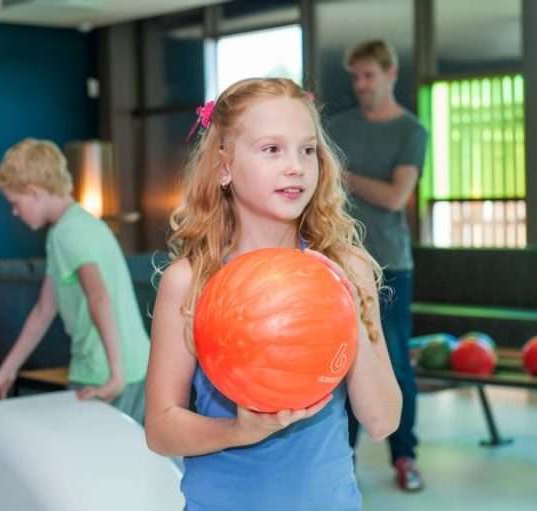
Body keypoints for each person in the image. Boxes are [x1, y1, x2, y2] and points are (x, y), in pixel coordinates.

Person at [144, 78, 402, 510]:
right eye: (272, 150)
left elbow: (381, 421)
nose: (296, 167)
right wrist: (239, 431)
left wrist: (345, 306)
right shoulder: (191, 280)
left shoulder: (348, 267)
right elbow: (160, 427)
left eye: (307, 150)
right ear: (224, 166)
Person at [0, 139, 150, 425]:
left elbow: (98, 297)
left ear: (33, 192)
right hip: (135, 364)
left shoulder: (67, 234)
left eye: (15, 203)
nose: (15, 212)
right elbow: (44, 309)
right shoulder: (82, 224)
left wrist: (115, 374)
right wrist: (7, 371)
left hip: (104, 373)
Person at [326, 39, 429, 492]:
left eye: (369, 75)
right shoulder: (337, 127)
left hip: (390, 266)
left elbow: (394, 197)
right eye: (355, 77)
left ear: (391, 75)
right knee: (338, 364)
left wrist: (341, 174)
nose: (361, 85)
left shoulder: (411, 131)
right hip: (337, 263)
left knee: (396, 369)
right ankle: (342, 459)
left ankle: (405, 457)